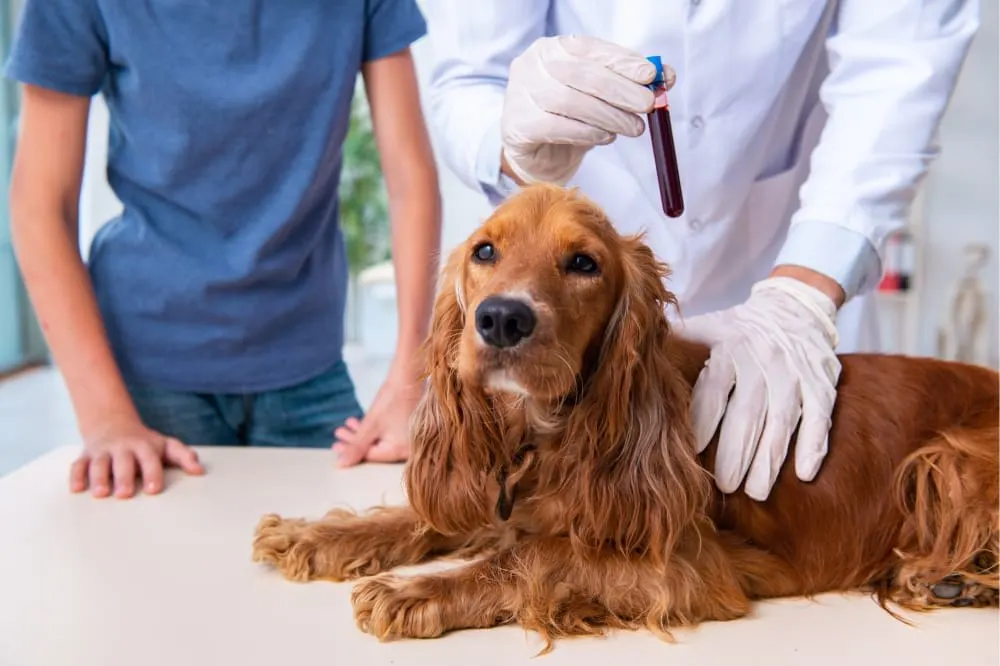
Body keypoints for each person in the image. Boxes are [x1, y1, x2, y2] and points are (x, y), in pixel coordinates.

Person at [420, 1, 978, 500]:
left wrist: (802, 294)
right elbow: (469, 75)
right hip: (574, 295)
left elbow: (901, 63)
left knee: (810, 505)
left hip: (787, 261)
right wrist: (510, 139)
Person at [5, 1, 441, 499]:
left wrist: (413, 377)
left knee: (347, 556)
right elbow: (41, 205)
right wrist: (106, 417)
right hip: (148, 369)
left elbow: (410, 179)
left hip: (309, 364)